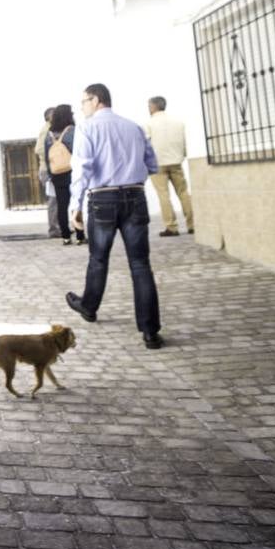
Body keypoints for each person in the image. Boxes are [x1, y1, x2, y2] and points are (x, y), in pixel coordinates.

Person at [64, 83, 164, 349]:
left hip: (103, 199)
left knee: (98, 259)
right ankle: (150, 331)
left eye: (84, 101)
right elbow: (152, 164)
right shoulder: (134, 127)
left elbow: (82, 167)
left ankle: (89, 307)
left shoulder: (88, 127)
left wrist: (75, 206)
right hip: (135, 196)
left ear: (96, 100)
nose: (82, 107)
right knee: (140, 264)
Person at [145, 96, 194, 237]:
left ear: (153, 107)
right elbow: (184, 143)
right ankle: (192, 224)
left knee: (163, 195)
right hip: (176, 162)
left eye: (149, 106)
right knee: (183, 192)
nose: (148, 108)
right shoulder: (178, 122)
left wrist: (147, 163)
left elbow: (147, 146)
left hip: (158, 164)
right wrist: (182, 156)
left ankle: (171, 227)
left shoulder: (149, 124)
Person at [44, 104, 85, 245]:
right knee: (76, 204)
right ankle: (80, 235)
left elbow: (46, 156)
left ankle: (66, 237)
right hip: (71, 172)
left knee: (62, 205)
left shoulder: (49, 134)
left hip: (56, 174)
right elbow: (78, 152)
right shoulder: (71, 131)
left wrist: (51, 174)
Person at [34, 107, 61, 237]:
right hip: (48, 169)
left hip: (52, 168)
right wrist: (53, 156)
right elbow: (38, 149)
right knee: (54, 200)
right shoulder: (47, 129)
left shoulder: (53, 129)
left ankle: (59, 227)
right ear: (49, 117)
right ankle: (54, 229)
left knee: (59, 199)